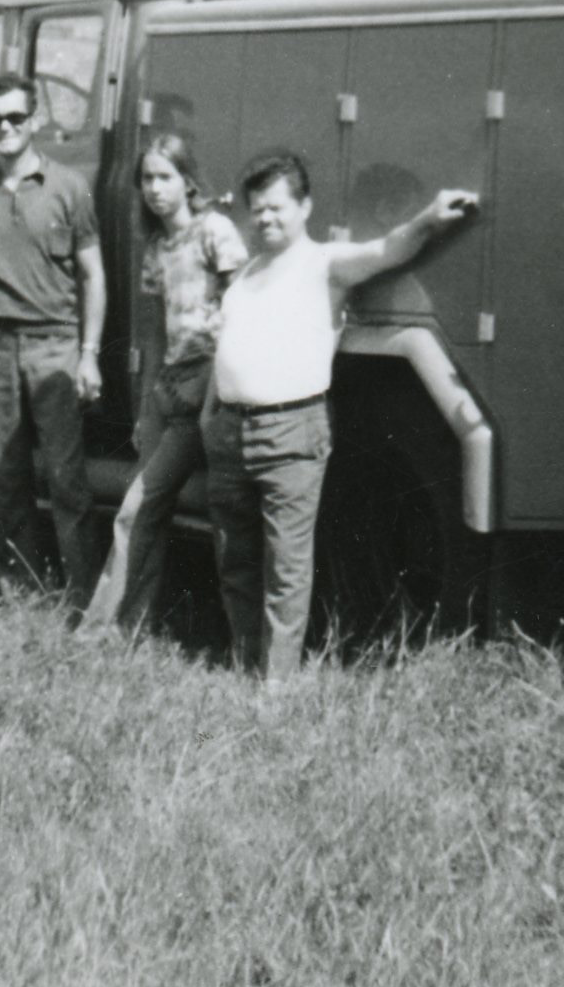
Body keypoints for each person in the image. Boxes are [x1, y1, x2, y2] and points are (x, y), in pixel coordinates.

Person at [201, 151, 479, 684]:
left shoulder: (324, 265)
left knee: (285, 566)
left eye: (276, 207)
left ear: (305, 207)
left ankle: (276, 686)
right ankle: (245, 662)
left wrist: (429, 217)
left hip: (289, 432)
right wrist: (210, 416)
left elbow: (388, 249)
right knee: (235, 559)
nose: (265, 218)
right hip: (230, 433)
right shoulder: (247, 274)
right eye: (256, 209)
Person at [0, 73, 106, 607]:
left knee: (66, 477)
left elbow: (93, 275)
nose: (6, 127)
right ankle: (21, 594)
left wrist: (89, 354)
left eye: (16, 117)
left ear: (34, 120)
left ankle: (83, 597)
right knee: (4, 475)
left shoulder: (68, 187)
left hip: (54, 344)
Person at [83, 135, 247, 634]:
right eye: (146, 179)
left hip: (210, 388)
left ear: (188, 181)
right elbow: (155, 333)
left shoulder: (215, 231)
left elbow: (242, 316)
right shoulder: (156, 247)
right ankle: (130, 623)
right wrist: (146, 405)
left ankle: (103, 629)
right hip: (169, 391)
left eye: (164, 177)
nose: (154, 189)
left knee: (140, 508)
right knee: (140, 511)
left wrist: (209, 391)